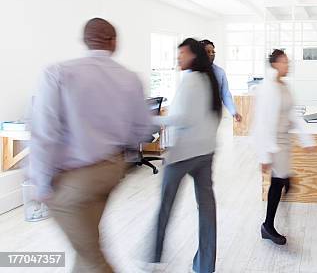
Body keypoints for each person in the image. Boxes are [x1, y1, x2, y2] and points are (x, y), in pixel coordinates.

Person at [29, 18, 152, 273]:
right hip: (111, 171)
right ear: (114, 42)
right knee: (86, 248)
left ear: (85, 41)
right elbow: (142, 130)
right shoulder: (130, 78)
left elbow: (45, 133)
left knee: (92, 257)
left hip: (74, 183)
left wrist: (40, 183)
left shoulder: (59, 72)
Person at [152, 38, 222, 273]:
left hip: (183, 154)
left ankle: (153, 258)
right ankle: (205, 266)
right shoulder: (209, 79)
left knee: (165, 207)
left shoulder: (190, 80)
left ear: (192, 55)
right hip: (205, 152)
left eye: (181, 54)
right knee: (207, 211)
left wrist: (148, 119)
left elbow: (179, 118)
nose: (178, 58)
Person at [250, 49, 315, 245]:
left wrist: (307, 140)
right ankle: (267, 227)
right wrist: (264, 156)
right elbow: (261, 122)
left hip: (284, 141)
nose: (288, 65)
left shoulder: (284, 86)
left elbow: (292, 115)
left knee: (285, 180)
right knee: (278, 182)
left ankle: (284, 192)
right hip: (274, 143)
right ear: (275, 64)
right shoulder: (267, 89)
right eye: (284, 62)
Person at [200, 39, 242, 122]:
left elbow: (225, 94)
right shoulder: (192, 73)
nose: (211, 54)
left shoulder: (220, 72)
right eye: (208, 52)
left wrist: (234, 112)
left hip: (214, 117)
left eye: (213, 52)